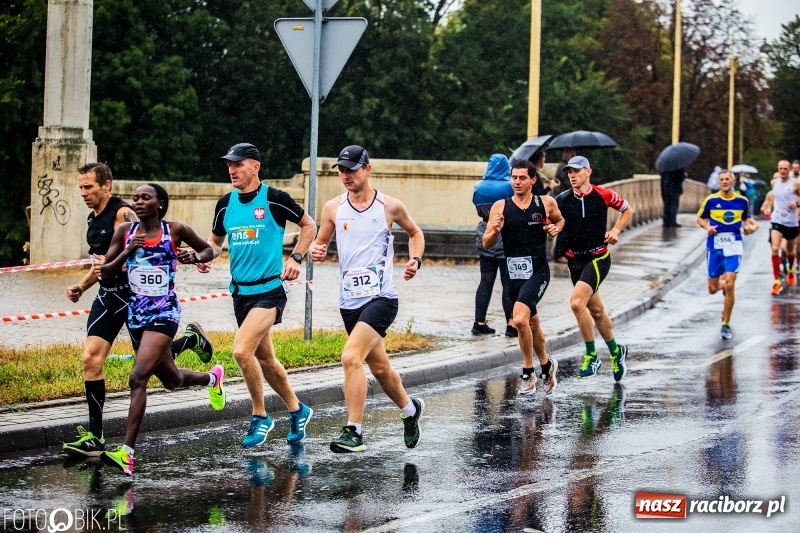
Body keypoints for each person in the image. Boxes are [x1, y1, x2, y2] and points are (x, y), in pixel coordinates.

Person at [62, 163, 214, 458]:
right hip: (113, 299)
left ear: (106, 185)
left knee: (151, 375)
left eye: (88, 186)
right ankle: (96, 436)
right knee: (94, 359)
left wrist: (194, 257)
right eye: (80, 187)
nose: (83, 193)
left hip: (142, 301)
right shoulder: (98, 221)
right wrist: (82, 285)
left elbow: (149, 240)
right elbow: (106, 265)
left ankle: (127, 451)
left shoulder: (125, 214)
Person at [98, 183, 224, 475]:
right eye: (136, 198)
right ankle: (212, 378)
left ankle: (126, 454)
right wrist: (127, 252)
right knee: (172, 380)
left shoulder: (174, 231)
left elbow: (209, 249)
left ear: (160, 204)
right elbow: (105, 272)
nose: (139, 202)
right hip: (137, 316)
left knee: (137, 377)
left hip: (164, 314)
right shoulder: (125, 234)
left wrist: (195, 258)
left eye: (146, 198)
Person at [310, 145, 426, 453]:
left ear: (368, 169)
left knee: (350, 357)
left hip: (382, 297)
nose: (346, 175)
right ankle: (410, 410)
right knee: (380, 369)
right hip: (349, 301)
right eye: (342, 170)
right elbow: (320, 243)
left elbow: (416, 233)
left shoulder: (389, 206)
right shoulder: (333, 208)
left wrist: (415, 259)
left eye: (352, 169)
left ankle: (355, 431)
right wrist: (317, 251)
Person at [203, 142, 317, 448]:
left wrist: (295, 258)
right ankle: (297, 410)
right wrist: (204, 256)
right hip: (241, 294)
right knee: (266, 359)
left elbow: (309, 224)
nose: (232, 169)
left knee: (241, 352)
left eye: (238, 164)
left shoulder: (275, 199)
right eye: (229, 164)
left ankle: (260, 416)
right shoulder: (226, 204)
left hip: (270, 290)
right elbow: (215, 242)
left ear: (255, 166)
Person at [483, 159, 563, 395]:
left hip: (538, 270)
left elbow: (559, 220)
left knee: (519, 320)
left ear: (533, 180)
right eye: (514, 178)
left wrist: (555, 229)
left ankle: (528, 373)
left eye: (522, 178)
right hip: (513, 273)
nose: (517, 182)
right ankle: (547, 366)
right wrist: (495, 231)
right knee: (532, 323)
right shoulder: (500, 206)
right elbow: (486, 244)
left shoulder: (545, 203)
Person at [555, 156, 633, 381]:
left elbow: (627, 210)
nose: (572, 175)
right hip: (574, 261)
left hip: (598, 258)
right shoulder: (562, 199)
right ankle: (617, 352)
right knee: (597, 311)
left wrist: (616, 230)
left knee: (576, 303)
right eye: (569, 171)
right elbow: (551, 218)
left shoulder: (604, 194)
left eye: (577, 171)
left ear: (588, 172)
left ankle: (591, 356)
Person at [697, 170, 759, 339]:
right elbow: (700, 218)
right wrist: (707, 227)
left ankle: (725, 324)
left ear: (733, 182)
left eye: (727, 179)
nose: (724, 182)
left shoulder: (741, 201)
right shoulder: (711, 200)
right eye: (721, 180)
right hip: (715, 247)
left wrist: (748, 229)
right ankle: (723, 287)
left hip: (734, 246)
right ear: (719, 182)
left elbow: (748, 222)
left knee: (731, 283)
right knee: (712, 289)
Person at [471, 154, 514, 337]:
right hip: (506, 233)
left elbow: (477, 207)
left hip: (485, 232)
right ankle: (511, 324)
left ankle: (479, 322)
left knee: (486, 280)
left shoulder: (479, 187)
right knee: (508, 283)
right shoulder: (509, 186)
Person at [761, 159, 800, 295]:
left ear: (789, 170)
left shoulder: (796, 185)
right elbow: (771, 198)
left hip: (791, 222)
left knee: (790, 251)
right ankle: (777, 281)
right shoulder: (774, 183)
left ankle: (790, 269)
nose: (783, 171)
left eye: (785, 169)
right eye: (780, 169)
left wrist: (797, 205)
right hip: (777, 220)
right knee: (775, 248)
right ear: (778, 169)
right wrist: (767, 209)